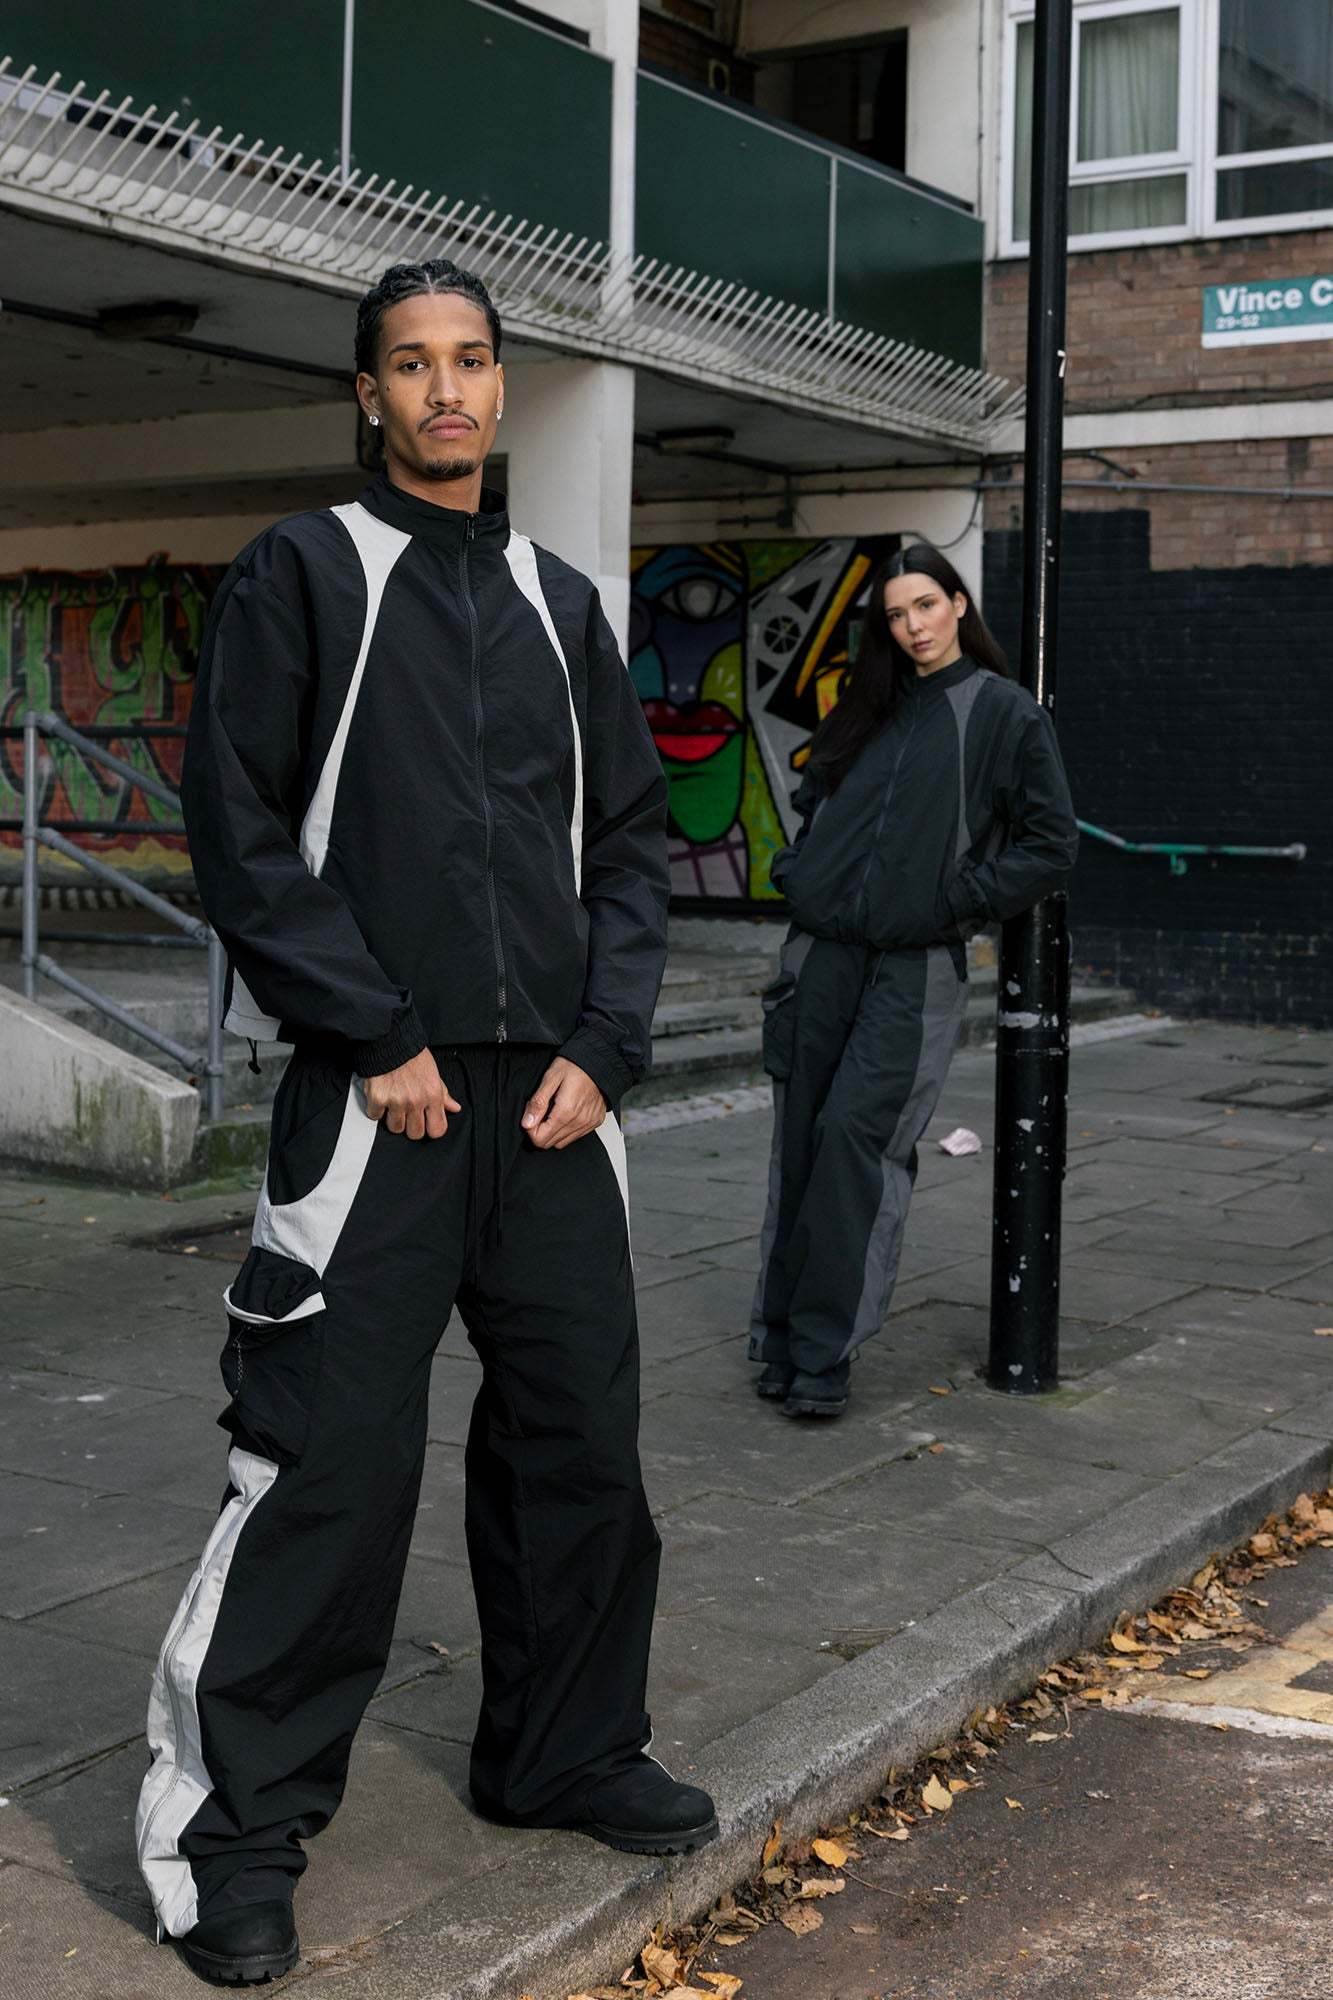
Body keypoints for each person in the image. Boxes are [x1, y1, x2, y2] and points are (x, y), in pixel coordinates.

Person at [136, 257, 717, 1989]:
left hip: (551, 1107)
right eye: (411, 363)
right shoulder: (304, 572)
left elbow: (628, 843)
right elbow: (237, 825)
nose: (446, 388)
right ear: (368, 393)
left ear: (501, 385)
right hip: (374, 1102)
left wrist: (607, 1046)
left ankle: (561, 1752)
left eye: (470, 360)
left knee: (581, 1452)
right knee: (323, 1470)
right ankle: (229, 1841)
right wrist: (371, 1027)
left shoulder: (559, 600)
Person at [748, 544, 1078, 1420]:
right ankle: (777, 1343)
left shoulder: (1001, 712)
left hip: (913, 968)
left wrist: (955, 901)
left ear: (958, 604)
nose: (913, 626)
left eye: (925, 605)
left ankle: (822, 1356)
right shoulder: (864, 708)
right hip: (818, 961)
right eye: (895, 615)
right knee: (800, 1149)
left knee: (856, 1144)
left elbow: (1050, 844)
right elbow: (812, 810)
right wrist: (799, 874)